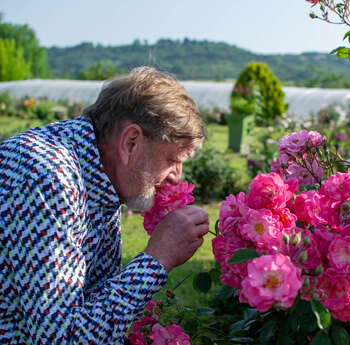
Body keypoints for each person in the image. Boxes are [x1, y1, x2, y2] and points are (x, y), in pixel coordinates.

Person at [0, 66, 210, 344]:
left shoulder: (98, 175)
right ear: (131, 142)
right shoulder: (47, 178)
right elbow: (61, 338)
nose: (176, 176)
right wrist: (157, 258)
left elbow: (92, 301)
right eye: (172, 159)